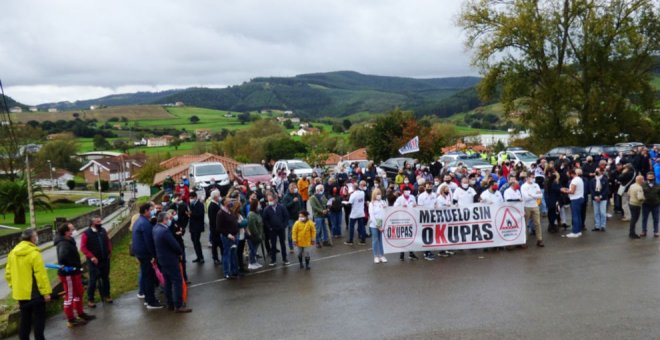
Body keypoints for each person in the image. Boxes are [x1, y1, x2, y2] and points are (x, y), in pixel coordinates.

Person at [5, 229, 52, 340]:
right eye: (36, 236)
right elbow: (41, 275)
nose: (37, 238)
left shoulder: (13, 253)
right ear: (32, 238)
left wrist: (15, 287)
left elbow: (8, 274)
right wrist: (46, 293)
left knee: (25, 320)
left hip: (21, 295)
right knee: (39, 320)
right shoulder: (34, 253)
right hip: (35, 294)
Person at [56, 223, 96, 328]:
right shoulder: (63, 244)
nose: (74, 231)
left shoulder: (70, 240)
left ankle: (80, 313)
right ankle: (71, 319)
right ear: (66, 232)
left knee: (79, 293)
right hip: (68, 274)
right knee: (69, 296)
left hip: (75, 272)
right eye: (72, 229)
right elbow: (62, 257)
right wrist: (70, 265)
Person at [152, 212, 191, 313]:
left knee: (168, 282)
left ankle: (170, 303)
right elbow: (175, 245)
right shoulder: (165, 231)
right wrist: (180, 252)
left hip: (162, 259)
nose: (170, 220)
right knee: (177, 281)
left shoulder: (155, 228)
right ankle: (178, 305)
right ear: (164, 220)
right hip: (170, 259)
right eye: (168, 219)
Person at [132, 203, 164, 309]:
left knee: (146, 277)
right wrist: (153, 256)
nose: (152, 211)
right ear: (145, 211)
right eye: (150, 210)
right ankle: (151, 301)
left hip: (140, 253)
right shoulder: (144, 223)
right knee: (149, 278)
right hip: (145, 254)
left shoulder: (139, 221)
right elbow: (149, 241)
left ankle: (148, 299)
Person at [80, 217, 112, 307]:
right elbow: (83, 247)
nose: (100, 223)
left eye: (100, 221)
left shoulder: (103, 230)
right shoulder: (86, 234)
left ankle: (107, 295)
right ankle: (91, 299)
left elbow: (108, 241)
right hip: (93, 261)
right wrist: (92, 257)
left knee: (105, 278)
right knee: (93, 280)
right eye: (98, 221)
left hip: (105, 259)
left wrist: (110, 251)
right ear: (92, 223)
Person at [262, 193, 290, 266]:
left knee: (282, 244)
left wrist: (284, 225)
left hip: (281, 229)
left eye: (271, 200)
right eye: (268, 200)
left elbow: (286, 216)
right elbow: (265, 220)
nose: (269, 201)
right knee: (273, 245)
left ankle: (285, 259)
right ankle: (273, 260)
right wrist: (269, 227)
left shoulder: (282, 207)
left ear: (275, 199)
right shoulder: (266, 209)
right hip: (272, 230)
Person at [216, 196, 240, 278]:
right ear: (224, 203)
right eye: (229, 201)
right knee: (227, 254)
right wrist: (228, 234)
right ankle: (227, 272)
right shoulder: (220, 213)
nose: (231, 202)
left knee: (233, 254)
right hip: (227, 237)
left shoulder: (230, 211)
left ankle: (234, 271)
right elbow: (219, 228)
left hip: (235, 235)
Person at [394, 186, 419, 261]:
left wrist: (415, 206)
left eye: (408, 190)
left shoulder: (412, 197)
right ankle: (402, 253)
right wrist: (401, 206)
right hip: (403, 219)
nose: (407, 192)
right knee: (403, 237)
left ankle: (411, 253)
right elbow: (394, 207)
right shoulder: (400, 198)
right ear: (403, 192)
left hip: (411, 219)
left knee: (410, 236)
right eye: (405, 191)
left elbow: (415, 206)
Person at [166, 208, 189, 283]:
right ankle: (179, 280)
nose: (174, 215)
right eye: (173, 214)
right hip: (175, 245)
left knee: (183, 263)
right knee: (177, 264)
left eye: (175, 214)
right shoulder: (167, 225)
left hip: (180, 244)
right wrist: (176, 234)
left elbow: (182, 228)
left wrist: (181, 232)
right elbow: (169, 235)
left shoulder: (175, 221)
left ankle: (185, 279)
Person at [521, 176, 544, 247]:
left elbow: (540, 195)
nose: (533, 178)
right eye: (531, 177)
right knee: (525, 224)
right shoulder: (523, 186)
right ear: (527, 178)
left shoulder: (536, 185)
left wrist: (532, 195)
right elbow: (526, 197)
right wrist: (535, 196)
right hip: (526, 206)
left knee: (538, 223)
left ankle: (539, 239)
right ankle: (524, 240)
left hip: (535, 206)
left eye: (533, 177)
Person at [561, 169, 585, 238]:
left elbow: (572, 191)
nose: (568, 176)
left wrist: (564, 191)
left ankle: (575, 232)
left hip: (575, 199)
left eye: (568, 174)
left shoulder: (574, 180)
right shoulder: (579, 179)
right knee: (578, 215)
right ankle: (579, 230)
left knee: (575, 216)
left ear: (571, 174)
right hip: (580, 198)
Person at [282, 183, 305, 251]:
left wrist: (303, 213)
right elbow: (285, 207)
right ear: (289, 189)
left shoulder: (298, 195)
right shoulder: (286, 196)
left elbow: (302, 204)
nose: (294, 189)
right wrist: (292, 201)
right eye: (292, 188)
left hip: (299, 216)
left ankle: (301, 245)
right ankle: (291, 246)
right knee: (291, 232)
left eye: (295, 188)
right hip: (290, 217)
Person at [368, 189, 388, 264]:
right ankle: (376, 256)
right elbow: (372, 216)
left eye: (379, 193)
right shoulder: (371, 204)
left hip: (382, 225)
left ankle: (381, 255)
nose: (378, 195)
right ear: (374, 195)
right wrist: (378, 226)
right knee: (375, 240)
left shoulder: (383, 202)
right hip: (374, 225)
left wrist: (386, 208)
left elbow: (387, 212)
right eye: (377, 194)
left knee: (381, 240)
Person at [345, 181, 367, 246]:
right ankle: (363, 240)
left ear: (353, 188)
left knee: (351, 227)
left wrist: (346, 202)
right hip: (361, 213)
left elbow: (350, 203)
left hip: (354, 213)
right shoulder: (362, 193)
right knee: (362, 226)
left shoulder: (353, 195)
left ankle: (351, 240)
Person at [246, 199, 264, 270]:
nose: (260, 205)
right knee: (252, 249)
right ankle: (251, 263)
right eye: (258, 204)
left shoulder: (257, 213)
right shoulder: (251, 215)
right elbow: (252, 227)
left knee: (255, 249)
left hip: (258, 235)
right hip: (254, 236)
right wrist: (257, 235)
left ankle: (254, 261)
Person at [188, 192, 205, 264]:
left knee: (196, 241)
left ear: (195, 197)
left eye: (191, 198)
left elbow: (200, 215)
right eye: (190, 198)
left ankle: (201, 257)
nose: (190, 199)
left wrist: (191, 214)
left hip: (197, 227)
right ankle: (198, 256)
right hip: (192, 226)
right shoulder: (191, 204)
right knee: (194, 241)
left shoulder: (200, 205)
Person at [641, 172, 660, 237]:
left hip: (656, 205)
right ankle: (644, 231)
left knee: (656, 219)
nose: (650, 179)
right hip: (646, 204)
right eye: (649, 177)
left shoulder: (658, 185)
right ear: (646, 177)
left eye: (651, 177)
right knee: (644, 218)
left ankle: (656, 231)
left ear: (654, 177)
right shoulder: (643, 185)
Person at [207, 190, 222, 265]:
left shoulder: (215, 204)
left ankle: (216, 258)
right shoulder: (213, 206)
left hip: (215, 229)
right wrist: (217, 229)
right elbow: (213, 219)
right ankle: (215, 258)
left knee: (216, 244)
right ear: (216, 197)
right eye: (219, 195)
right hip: (215, 229)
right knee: (216, 244)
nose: (219, 197)